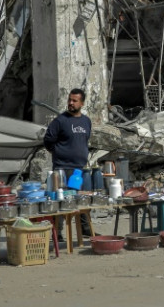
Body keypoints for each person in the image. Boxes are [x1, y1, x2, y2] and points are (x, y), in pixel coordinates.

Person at [43, 88, 95, 240]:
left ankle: (86, 229)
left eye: (74, 100)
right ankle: (57, 233)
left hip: (80, 169)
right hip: (62, 168)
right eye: (69, 100)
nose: (71, 103)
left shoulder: (86, 121)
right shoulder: (60, 121)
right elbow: (48, 140)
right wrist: (58, 152)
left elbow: (85, 140)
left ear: (82, 103)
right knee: (60, 201)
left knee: (82, 200)